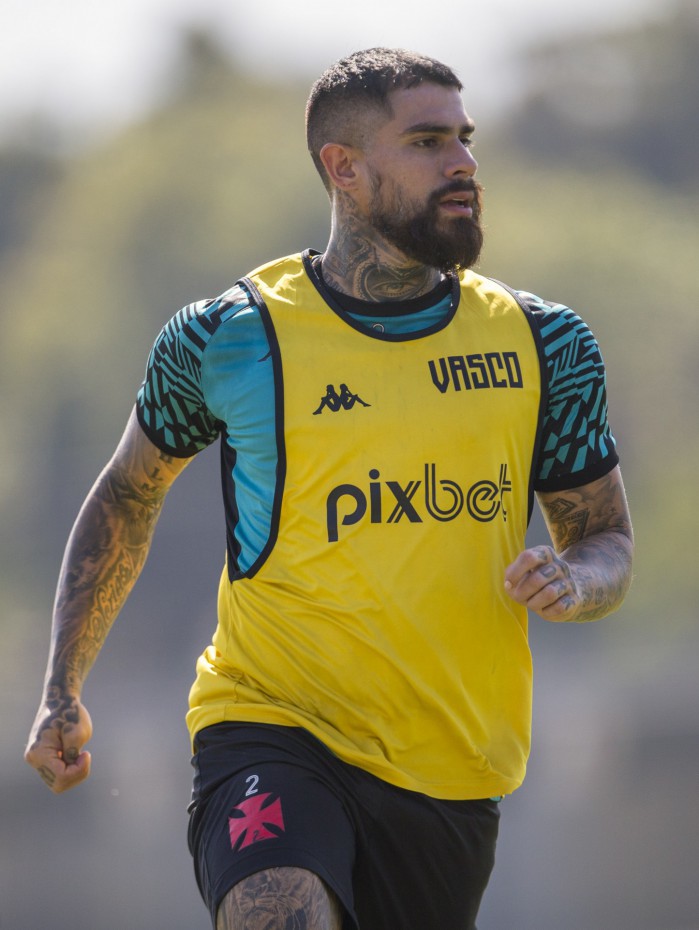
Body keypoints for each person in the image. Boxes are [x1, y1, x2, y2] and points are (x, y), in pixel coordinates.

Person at [25, 47, 634, 930]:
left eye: (464, 138)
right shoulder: (224, 337)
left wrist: (578, 582)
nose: (462, 163)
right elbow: (127, 494)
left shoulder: (547, 343)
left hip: (452, 772)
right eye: (426, 141)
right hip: (269, 727)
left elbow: (606, 540)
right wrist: (61, 684)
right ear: (340, 167)